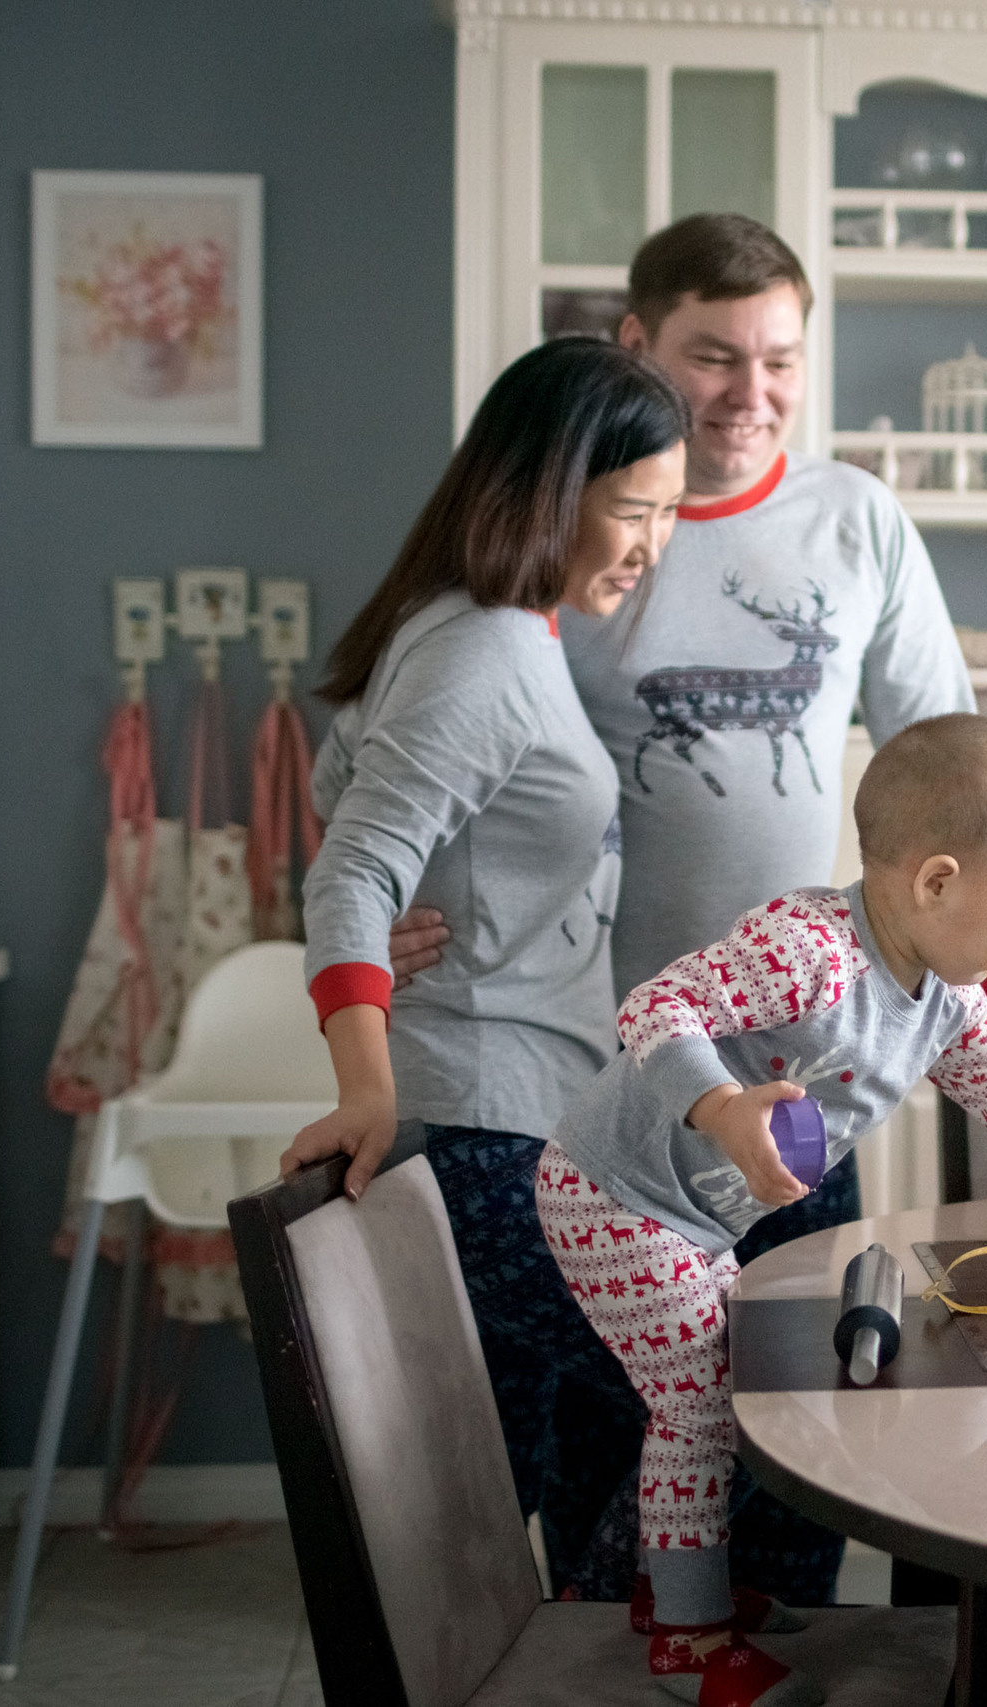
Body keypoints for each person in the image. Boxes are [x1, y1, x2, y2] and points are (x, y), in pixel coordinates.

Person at [387, 213, 987, 1602]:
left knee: (801, 1404)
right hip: (588, 1071)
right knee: (623, 1419)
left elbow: (965, 780)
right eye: (713, 356)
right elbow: (414, 720)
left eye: (779, 360)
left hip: (805, 1059)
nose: (748, 393)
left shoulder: (855, 519)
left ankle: (782, 1653)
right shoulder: (577, 521)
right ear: (635, 342)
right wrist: (393, 892)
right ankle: (621, 1655)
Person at [541, 713, 987, 1705]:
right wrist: (721, 1109)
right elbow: (655, 1006)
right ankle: (687, 1636)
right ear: (938, 881)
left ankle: (675, 1588)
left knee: (731, 1391)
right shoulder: (809, 949)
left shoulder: (946, 1002)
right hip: (611, 1195)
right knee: (699, 1404)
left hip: (689, 1218)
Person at [284, 338, 749, 1632]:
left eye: (671, 512)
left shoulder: (478, 629)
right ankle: (612, 1657)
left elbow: (353, 835)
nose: (654, 547)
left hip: (522, 1112)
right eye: (636, 509)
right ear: (548, 489)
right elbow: (353, 870)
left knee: (545, 1458)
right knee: (691, 1395)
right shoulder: (483, 650)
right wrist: (366, 1086)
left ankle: (595, 1653)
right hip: (485, 1126)